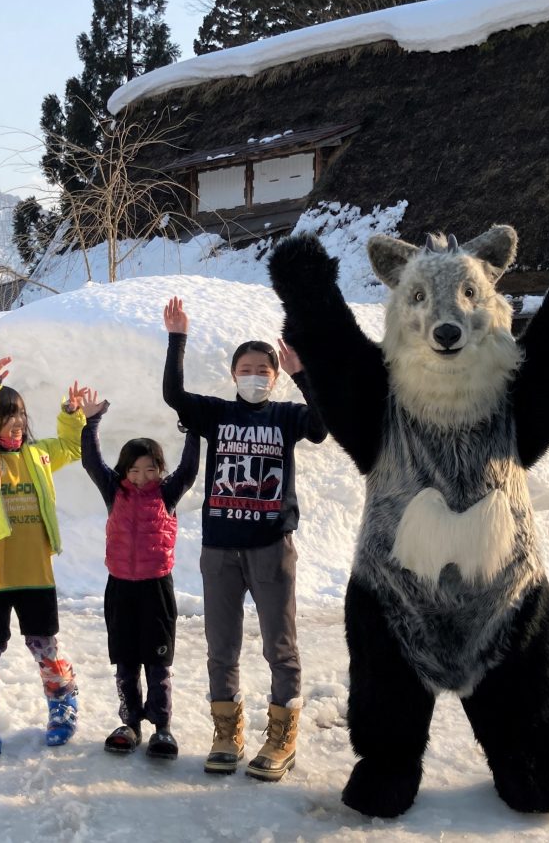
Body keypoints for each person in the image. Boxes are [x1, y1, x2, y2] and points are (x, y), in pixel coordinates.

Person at [162, 296, 327, 781]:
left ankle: (282, 739)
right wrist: (177, 339)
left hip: (272, 549)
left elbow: (321, 424)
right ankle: (226, 734)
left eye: (264, 368)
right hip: (220, 551)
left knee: (280, 646)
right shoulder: (214, 414)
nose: (255, 374)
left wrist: (304, 372)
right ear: (234, 374)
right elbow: (175, 395)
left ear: (274, 377)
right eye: (246, 367)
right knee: (221, 647)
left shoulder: (286, 417)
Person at [0, 356, 87, 756]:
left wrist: (71, 414)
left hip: (34, 572)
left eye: (21, 413)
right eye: (7, 415)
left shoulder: (37, 457)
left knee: (45, 645)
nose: (17, 422)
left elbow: (72, 446)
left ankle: (63, 703)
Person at [78, 387, 200, 759]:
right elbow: (90, 461)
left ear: (160, 469)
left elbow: (191, 469)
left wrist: (193, 429)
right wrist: (91, 421)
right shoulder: (115, 491)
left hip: (156, 589)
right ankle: (129, 723)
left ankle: (162, 727)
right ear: (124, 470)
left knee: (158, 662)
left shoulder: (168, 493)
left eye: (150, 468)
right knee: (127, 660)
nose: (143, 475)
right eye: (135, 469)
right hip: (120, 589)